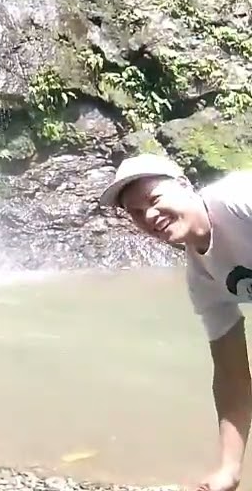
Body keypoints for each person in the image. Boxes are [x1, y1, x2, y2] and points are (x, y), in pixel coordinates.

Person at [99, 153, 252, 491]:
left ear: (184, 185)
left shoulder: (238, 198)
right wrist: (228, 469)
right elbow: (231, 376)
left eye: (153, 199)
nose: (149, 216)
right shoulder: (204, 279)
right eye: (136, 213)